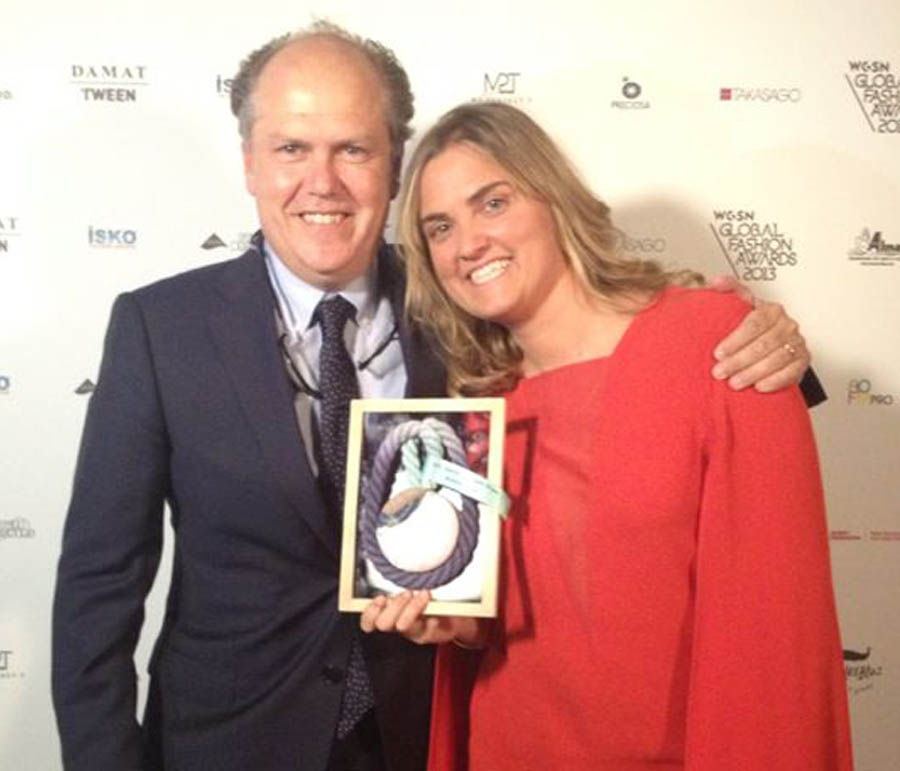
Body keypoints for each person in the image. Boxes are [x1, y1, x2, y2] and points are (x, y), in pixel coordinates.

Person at [51, 21, 817, 771]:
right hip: (229, 746)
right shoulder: (161, 328)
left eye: (353, 149)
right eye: (291, 148)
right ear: (250, 162)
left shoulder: (462, 310)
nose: (323, 181)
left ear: (392, 166)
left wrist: (770, 341)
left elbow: (614, 354)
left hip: (423, 739)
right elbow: (98, 588)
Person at [360, 102, 852, 770]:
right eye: (440, 228)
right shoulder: (474, 408)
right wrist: (456, 624)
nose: (468, 243)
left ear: (552, 200)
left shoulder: (721, 344)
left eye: (493, 203)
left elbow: (778, 639)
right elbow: (509, 624)